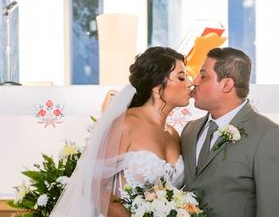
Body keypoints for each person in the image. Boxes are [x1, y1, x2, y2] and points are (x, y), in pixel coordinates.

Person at [50, 46, 192, 217]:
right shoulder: (125, 125)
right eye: (182, 77)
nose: (189, 83)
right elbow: (92, 185)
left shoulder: (173, 133)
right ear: (157, 86)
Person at [181, 47, 279, 217]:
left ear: (227, 84)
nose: (194, 81)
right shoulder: (189, 131)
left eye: (203, 76)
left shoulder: (271, 137)